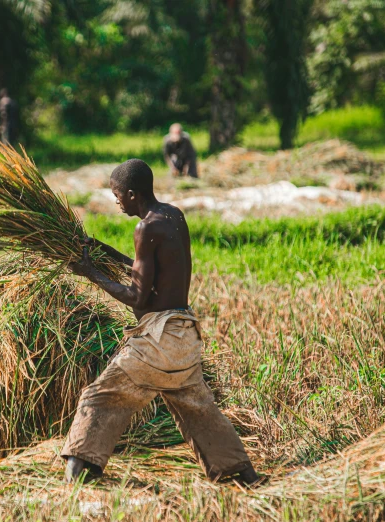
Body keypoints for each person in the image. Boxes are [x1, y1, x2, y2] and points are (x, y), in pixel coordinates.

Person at [63, 159, 259, 485]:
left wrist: (91, 273)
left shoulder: (145, 229)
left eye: (116, 195)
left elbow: (138, 297)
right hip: (184, 333)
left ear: (130, 193)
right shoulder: (172, 216)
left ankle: (79, 472)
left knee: (101, 396)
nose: (115, 201)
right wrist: (105, 252)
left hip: (158, 339)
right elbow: (152, 274)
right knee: (199, 409)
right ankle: (243, 472)